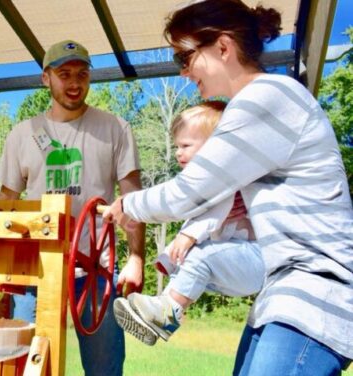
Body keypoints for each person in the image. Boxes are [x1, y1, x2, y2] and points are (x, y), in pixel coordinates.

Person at [103, 1, 352, 374]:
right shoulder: (260, 102)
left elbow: (189, 192)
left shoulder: (266, 97)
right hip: (282, 291)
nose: (185, 73)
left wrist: (126, 205)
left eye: (185, 58)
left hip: (313, 294)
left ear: (223, 47)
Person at [0, 40, 146, 375]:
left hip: (96, 271)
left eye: (82, 73)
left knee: (104, 368)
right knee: (27, 364)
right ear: (45, 78)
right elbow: (6, 203)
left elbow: (132, 199)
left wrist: (136, 259)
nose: (75, 82)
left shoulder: (115, 128)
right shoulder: (22, 134)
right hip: (35, 270)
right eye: (64, 74)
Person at [114, 101, 265, 345]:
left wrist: (188, 237)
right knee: (195, 260)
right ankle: (167, 311)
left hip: (255, 258)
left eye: (185, 145)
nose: (177, 152)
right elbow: (198, 219)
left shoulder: (224, 177)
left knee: (201, 255)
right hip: (236, 263)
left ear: (214, 147)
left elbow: (214, 214)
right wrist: (169, 259)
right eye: (176, 146)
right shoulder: (206, 186)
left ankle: (168, 311)